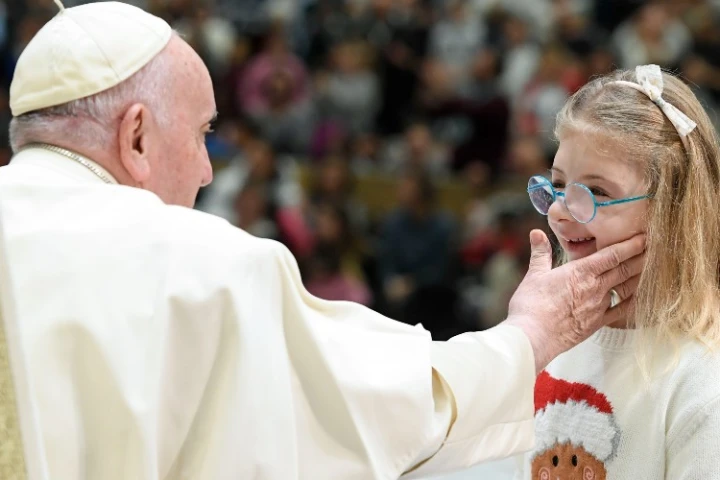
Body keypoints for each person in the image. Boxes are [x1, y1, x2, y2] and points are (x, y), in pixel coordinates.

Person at [0, 2, 643, 479]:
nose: (206, 171)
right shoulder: (200, 264)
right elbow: (388, 405)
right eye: (200, 134)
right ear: (137, 135)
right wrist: (528, 336)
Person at [515, 65, 720, 479]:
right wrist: (522, 342)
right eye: (558, 185)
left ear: (671, 209)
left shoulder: (702, 380)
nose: (558, 212)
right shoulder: (552, 341)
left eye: (595, 192)